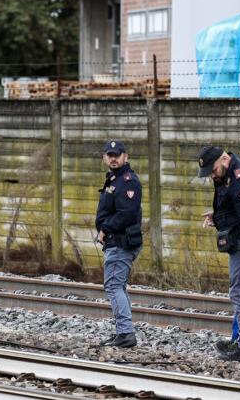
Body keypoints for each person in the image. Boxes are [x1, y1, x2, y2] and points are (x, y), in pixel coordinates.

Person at [197, 146, 240, 363]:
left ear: (224, 159)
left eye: (213, 170)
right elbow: (235, 211)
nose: (212, 175)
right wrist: (217, 217)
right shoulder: (227, 175)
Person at [95, 139, 143, 348]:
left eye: (117, 155)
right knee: (118, 287)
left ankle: (125, 334)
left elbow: (127, 214)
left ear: (126, 157)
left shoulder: (127, 181)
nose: (113, 158)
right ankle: (123, 332)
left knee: (113, 286)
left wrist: (105, 229)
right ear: (105, 158)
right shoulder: (114, 180)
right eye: (110, 155)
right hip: (117, 241)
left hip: (121, 241)